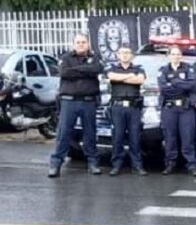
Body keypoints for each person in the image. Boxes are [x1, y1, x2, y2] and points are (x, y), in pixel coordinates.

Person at [48, 33, 105, 178]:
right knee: (64, 134)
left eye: (83, 42)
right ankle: (55, 165)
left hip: (88, 101)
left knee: (90, 134)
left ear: (88, 44)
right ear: (73, 44)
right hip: (69, 101)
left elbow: (96, 69)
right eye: (78, 42)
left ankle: (93, 163)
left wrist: (76, 69)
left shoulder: (95, 57)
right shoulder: (65, 57)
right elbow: (64, 72)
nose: (81, 44)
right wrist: (86, 69)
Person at [158, 46, 196, 176]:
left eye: (178, 54)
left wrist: (174, 82)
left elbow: (192, 85)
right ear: (169, 56)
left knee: (188, 137)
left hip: (185, 108)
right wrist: (182, 84)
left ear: (181, 56)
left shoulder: (188, 68)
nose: (176, 56)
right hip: (169, 108)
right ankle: (170, 164)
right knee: (170, 137)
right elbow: (164, 88)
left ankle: (191, 165)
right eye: (173, 54)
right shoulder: (163, 70)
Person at [106, 46, 147, 176]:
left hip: (133, 107)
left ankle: (137, 166)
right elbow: (112, 77)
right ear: (118, 55)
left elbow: (140, 80)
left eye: (127, 52)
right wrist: (129, 76)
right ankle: (116, 165)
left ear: (132, 55)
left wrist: (122, 78)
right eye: (122, 53)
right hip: (117, 107)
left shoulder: (139, 69)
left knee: (135, 137)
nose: (125, 55)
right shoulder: (112, 68)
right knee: (117, 137)